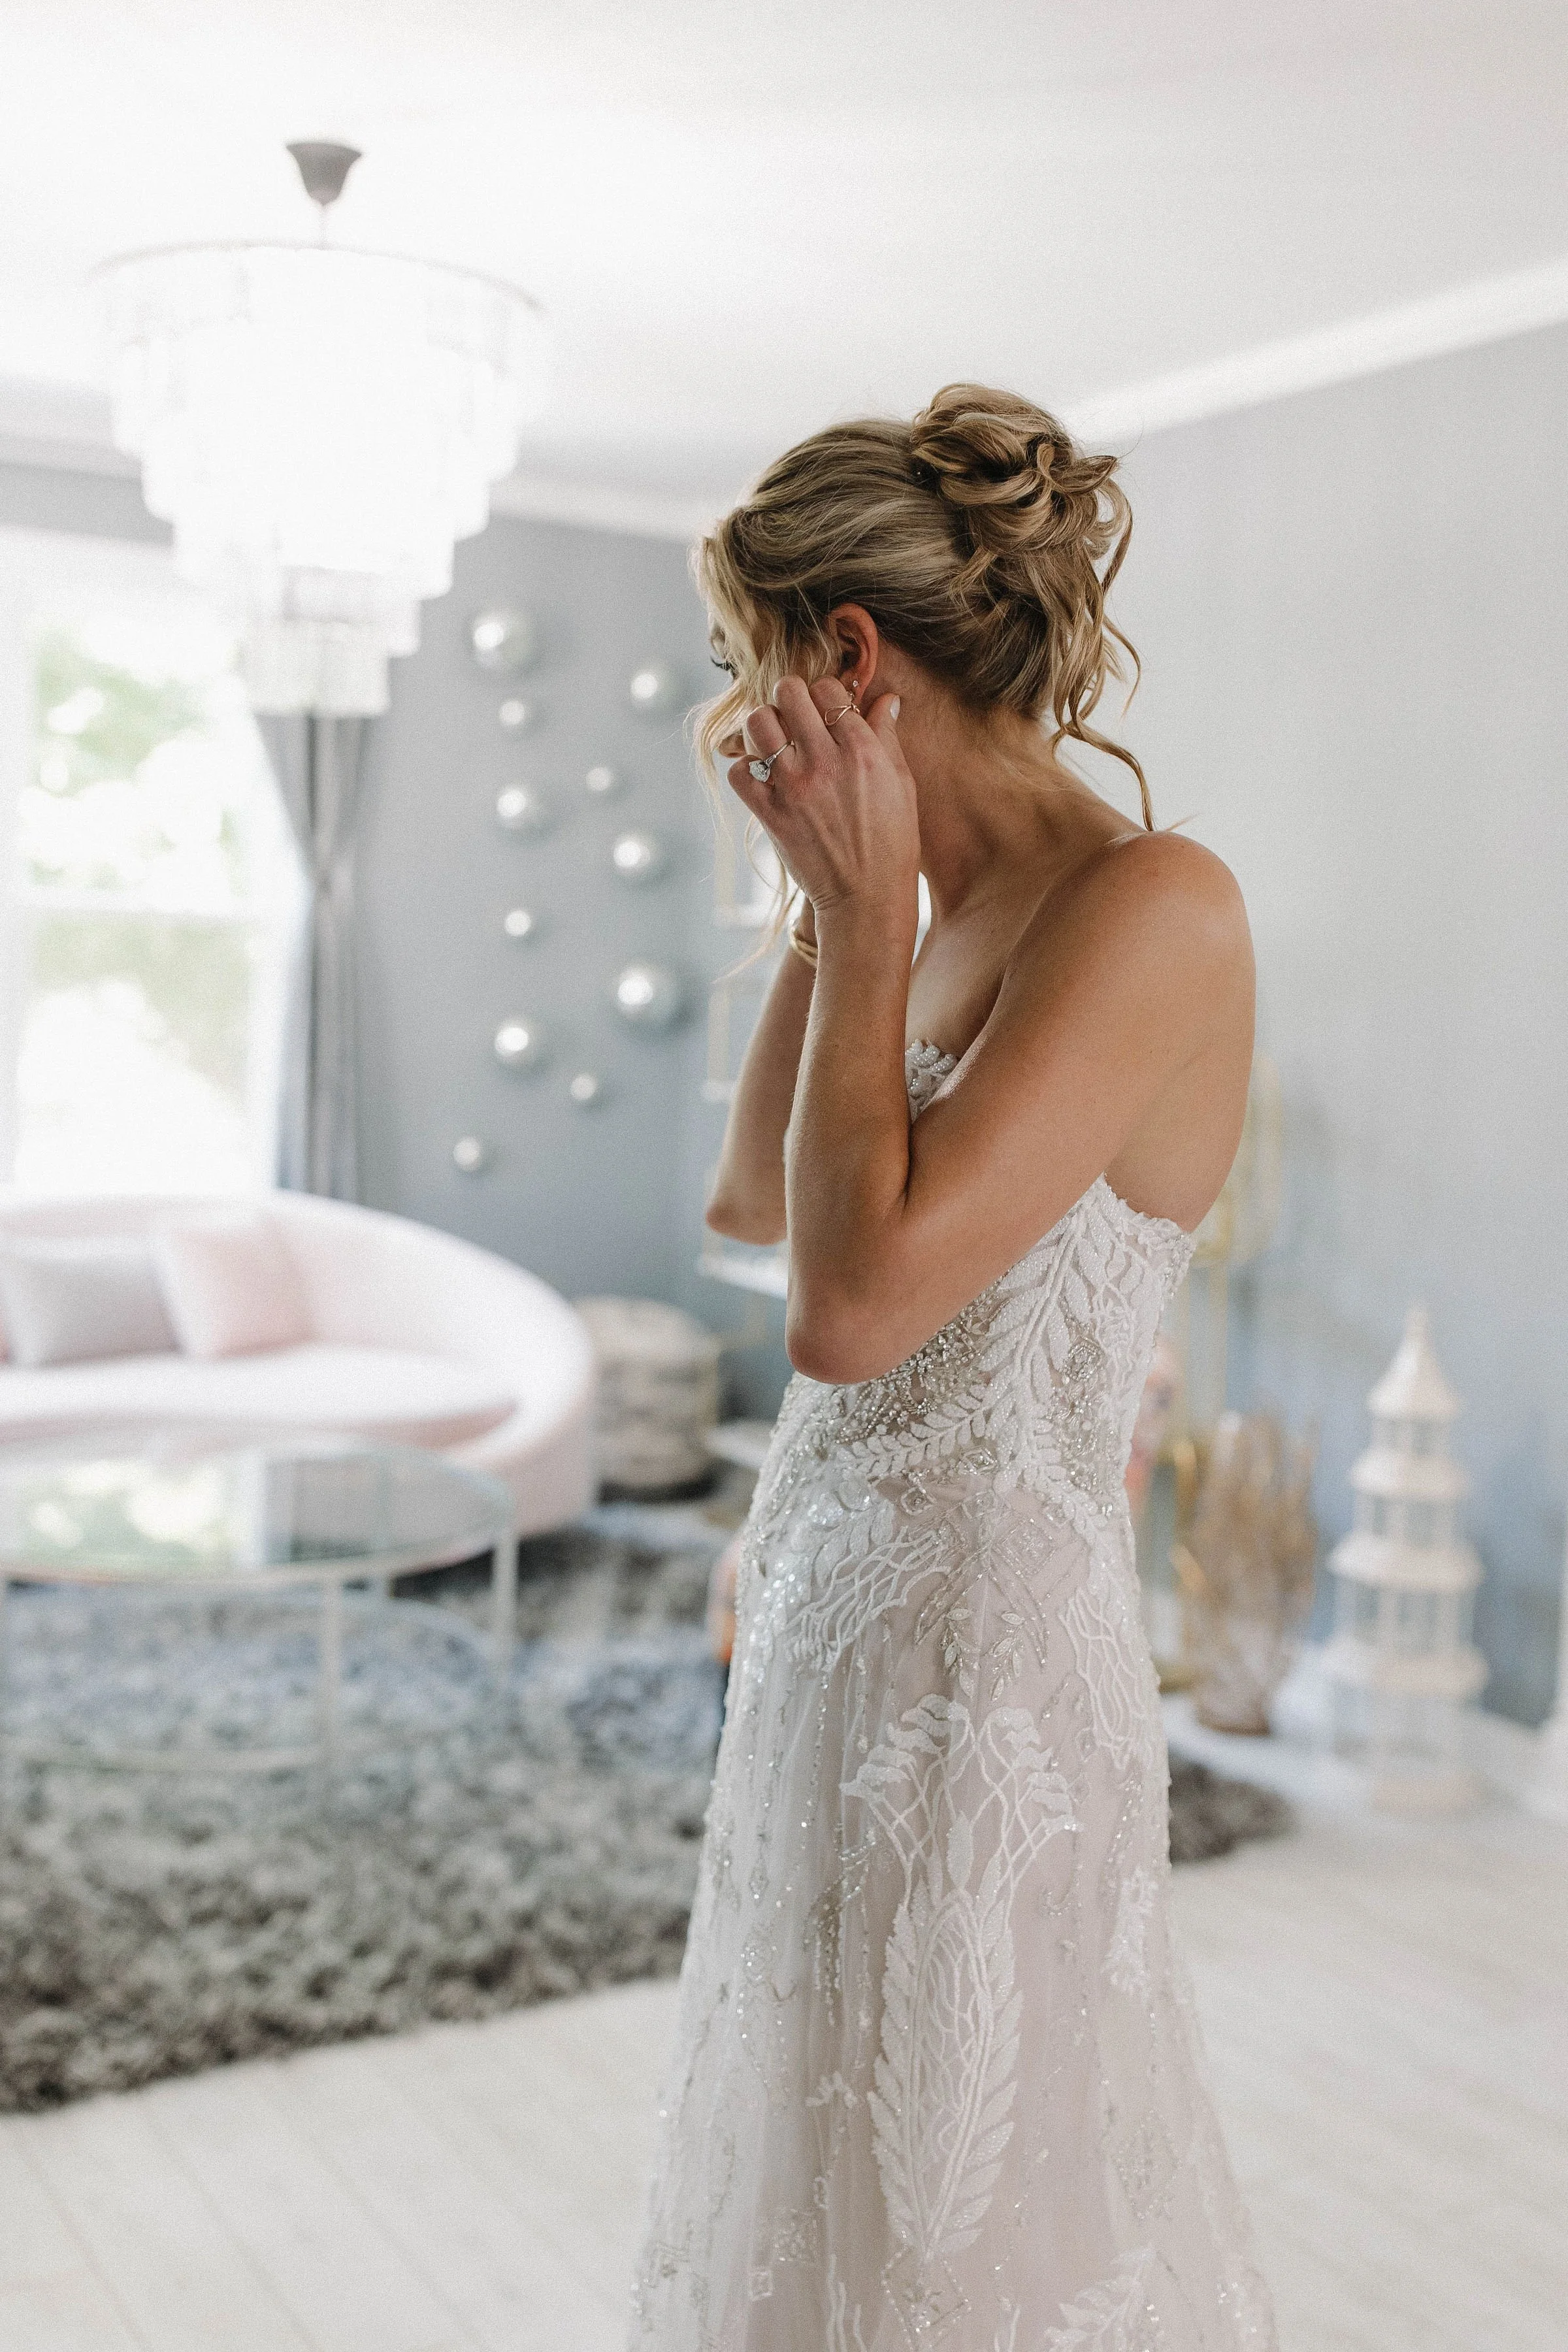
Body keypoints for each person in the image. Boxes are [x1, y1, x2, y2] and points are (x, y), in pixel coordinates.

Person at [630, 385, 1274, 2350]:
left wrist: (861, 912)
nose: (742, 719)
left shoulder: (1151, 907)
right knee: (814, 2152)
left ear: (848, 657)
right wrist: (853, 903)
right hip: (832, 1626)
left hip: (987, 1666)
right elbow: (759, 1198)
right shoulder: (927, 908)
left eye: (757, 669)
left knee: (960, 2201)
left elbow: (855, 1309)